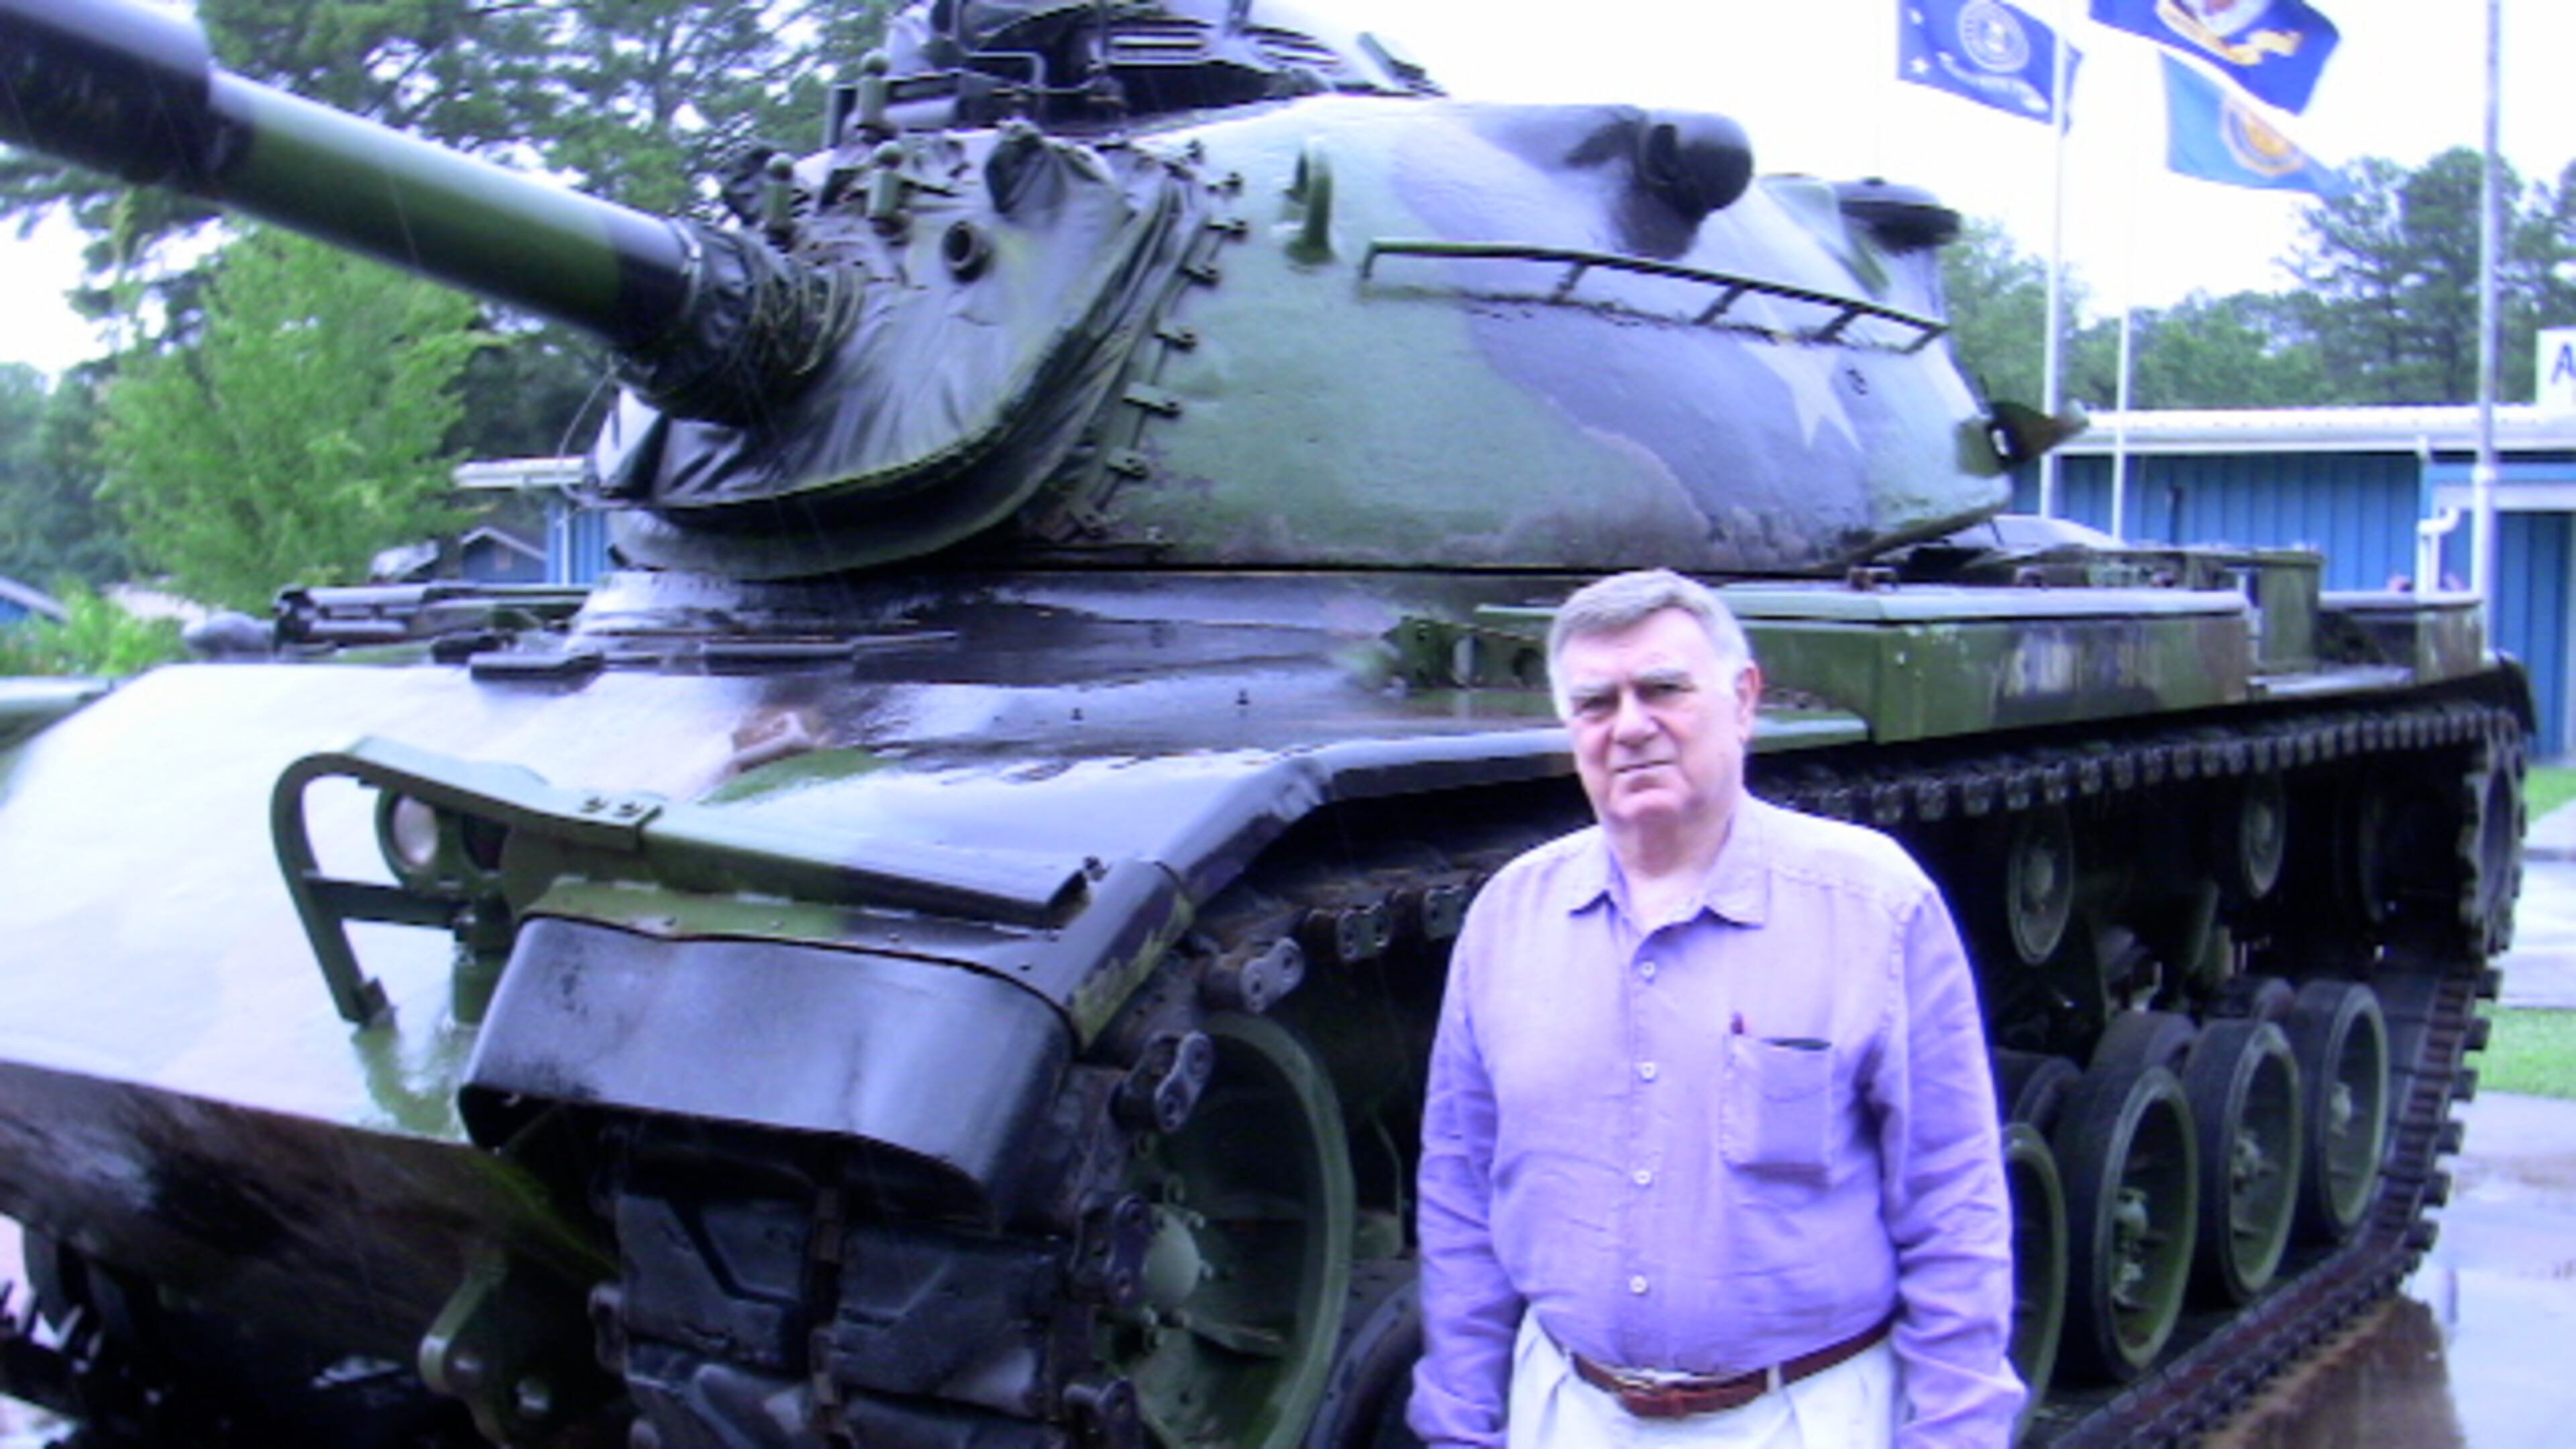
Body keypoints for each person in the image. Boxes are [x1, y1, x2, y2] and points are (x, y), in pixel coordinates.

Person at [1409, 568, 2022, 1449]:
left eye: (1664, 689)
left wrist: (1958, 1434)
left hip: (1805, 1416)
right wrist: (1460, 1424)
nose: (1629, 727)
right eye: (1594, 702)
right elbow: (1461, 1195)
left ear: (1743, 701)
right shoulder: (1510, 919)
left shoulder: (1876, 906)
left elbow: (1951, 1198)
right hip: (1569, 1413)